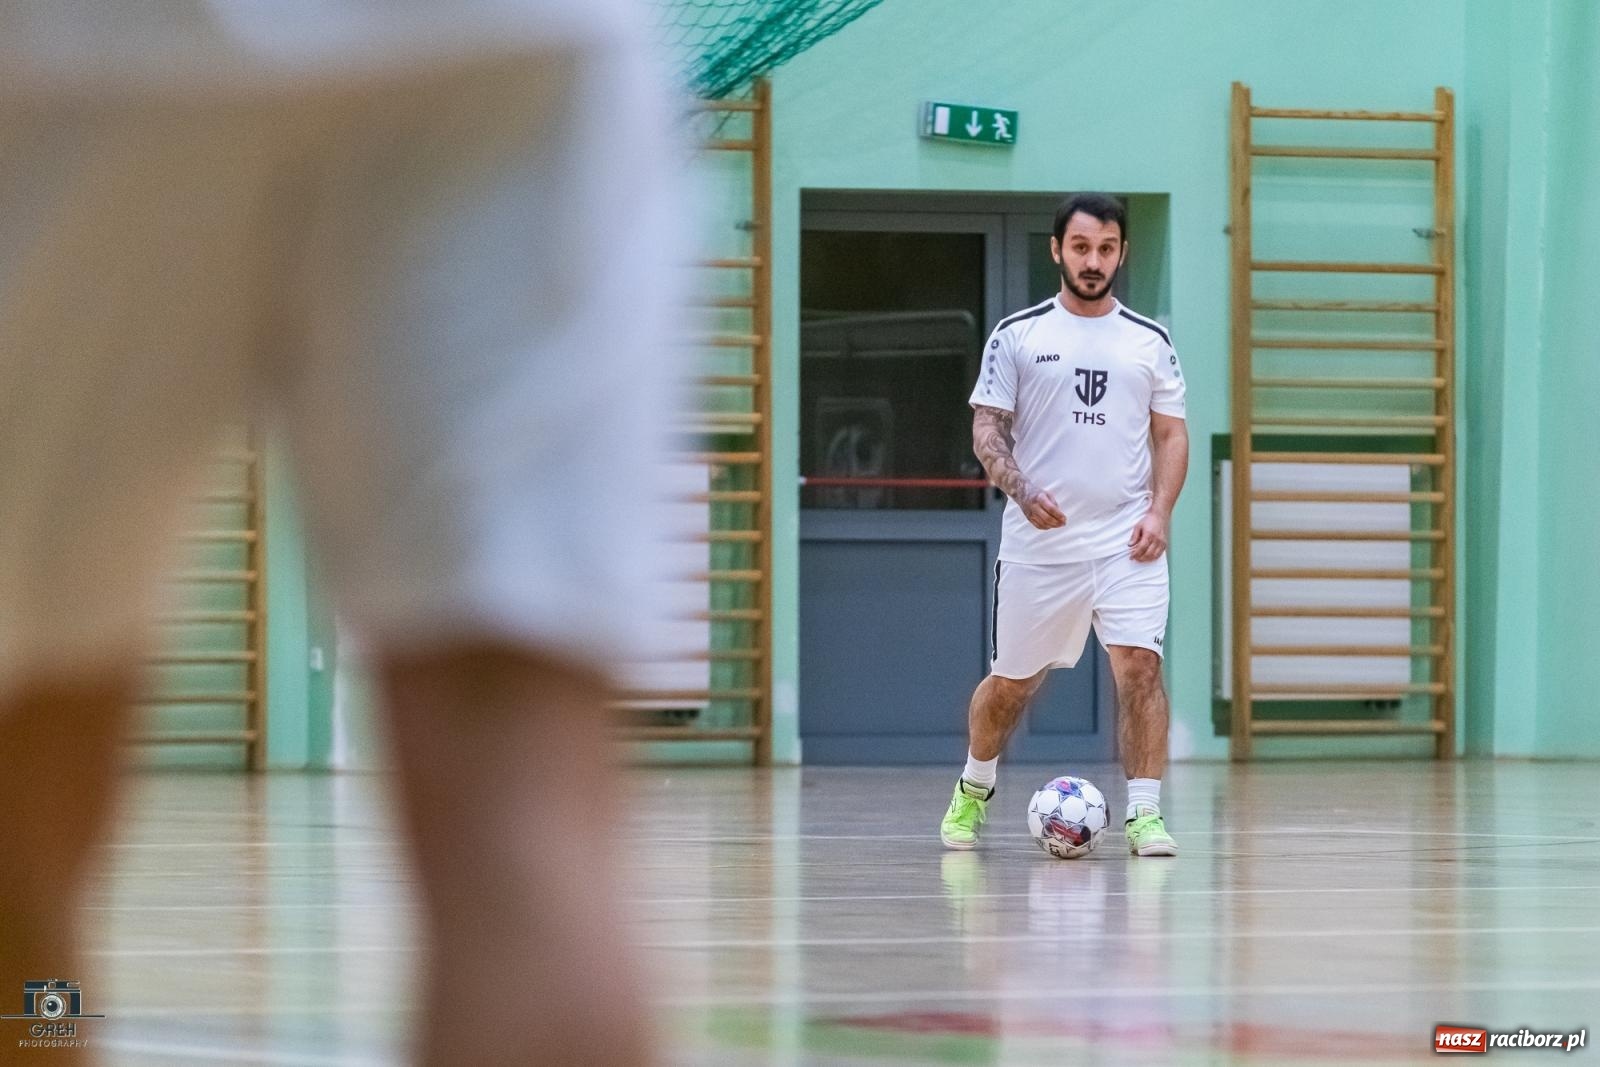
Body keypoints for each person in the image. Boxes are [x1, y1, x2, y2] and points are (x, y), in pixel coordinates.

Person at [0, 3, 681, 1064]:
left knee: (23, 795)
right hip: (509, 36)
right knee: (516, 801)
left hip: (89, 49)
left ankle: (37, 1015)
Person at [938, 192, 1189, 858]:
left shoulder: (1149, 341)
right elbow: (987, 429)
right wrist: (1020, 490)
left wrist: (1159, 512)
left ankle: (1145, 814)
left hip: (1127, 543)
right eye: (1081, 247)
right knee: (1011, 686)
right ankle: (973, 786)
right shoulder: (1019, 335)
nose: (1093, 261)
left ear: (1122, 253)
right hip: (1041, 548)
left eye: (1106, 248)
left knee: (1141, 668)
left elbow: (1172, 435)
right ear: (1057, 250)